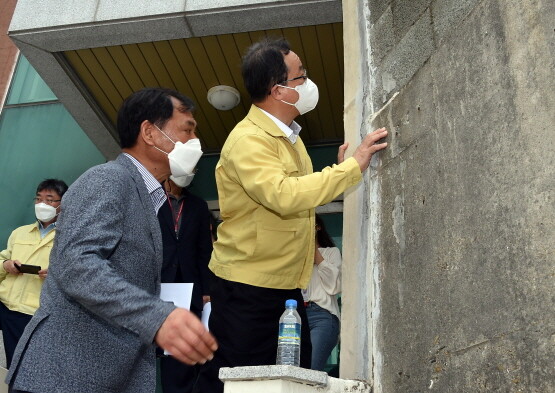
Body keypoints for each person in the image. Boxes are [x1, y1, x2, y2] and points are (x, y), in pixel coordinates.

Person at [194, 37, 388, 393]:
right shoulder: (249, 141)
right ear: (279, 91)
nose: (307, 83)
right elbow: (283, 196)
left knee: (291, 377)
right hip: (248, 287)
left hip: (282, 286)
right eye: (301, 77)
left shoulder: (289, 137)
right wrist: (351, 168)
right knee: (240, 379)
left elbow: (299, 193)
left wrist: (339, 171)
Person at [6, 88, 217, 393]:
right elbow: (76, 265)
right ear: (150, 132)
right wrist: (158, 316)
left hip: (104, 376)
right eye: (187, 129)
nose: (194, 141)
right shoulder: (108, 180)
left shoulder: (149, 197)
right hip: (65, 376)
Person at [0, 179, 68, 369]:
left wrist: (56, 275)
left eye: (49, 199)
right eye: (38, 199)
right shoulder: (20, 233)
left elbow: (78, 276)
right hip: (6, 307)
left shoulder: (68, 237)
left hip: (36, 314)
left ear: (62, 204)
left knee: (26, 370)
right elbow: (2, 261)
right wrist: (6, 265)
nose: (42, 204)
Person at [158, 178, 213, 393]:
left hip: (189, 290)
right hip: (157, 284)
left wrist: (206, 289)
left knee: (180, 356)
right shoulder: (152, 199)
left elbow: (204, 250)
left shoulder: (198, 205)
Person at [303, 214, 342, 372]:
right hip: (297, 315)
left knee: (311, 369)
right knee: (293, 369)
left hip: (322, 314)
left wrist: (316, 254)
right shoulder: (295, 258)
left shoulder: (331, 252)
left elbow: (334, 286)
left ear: (317, 227)